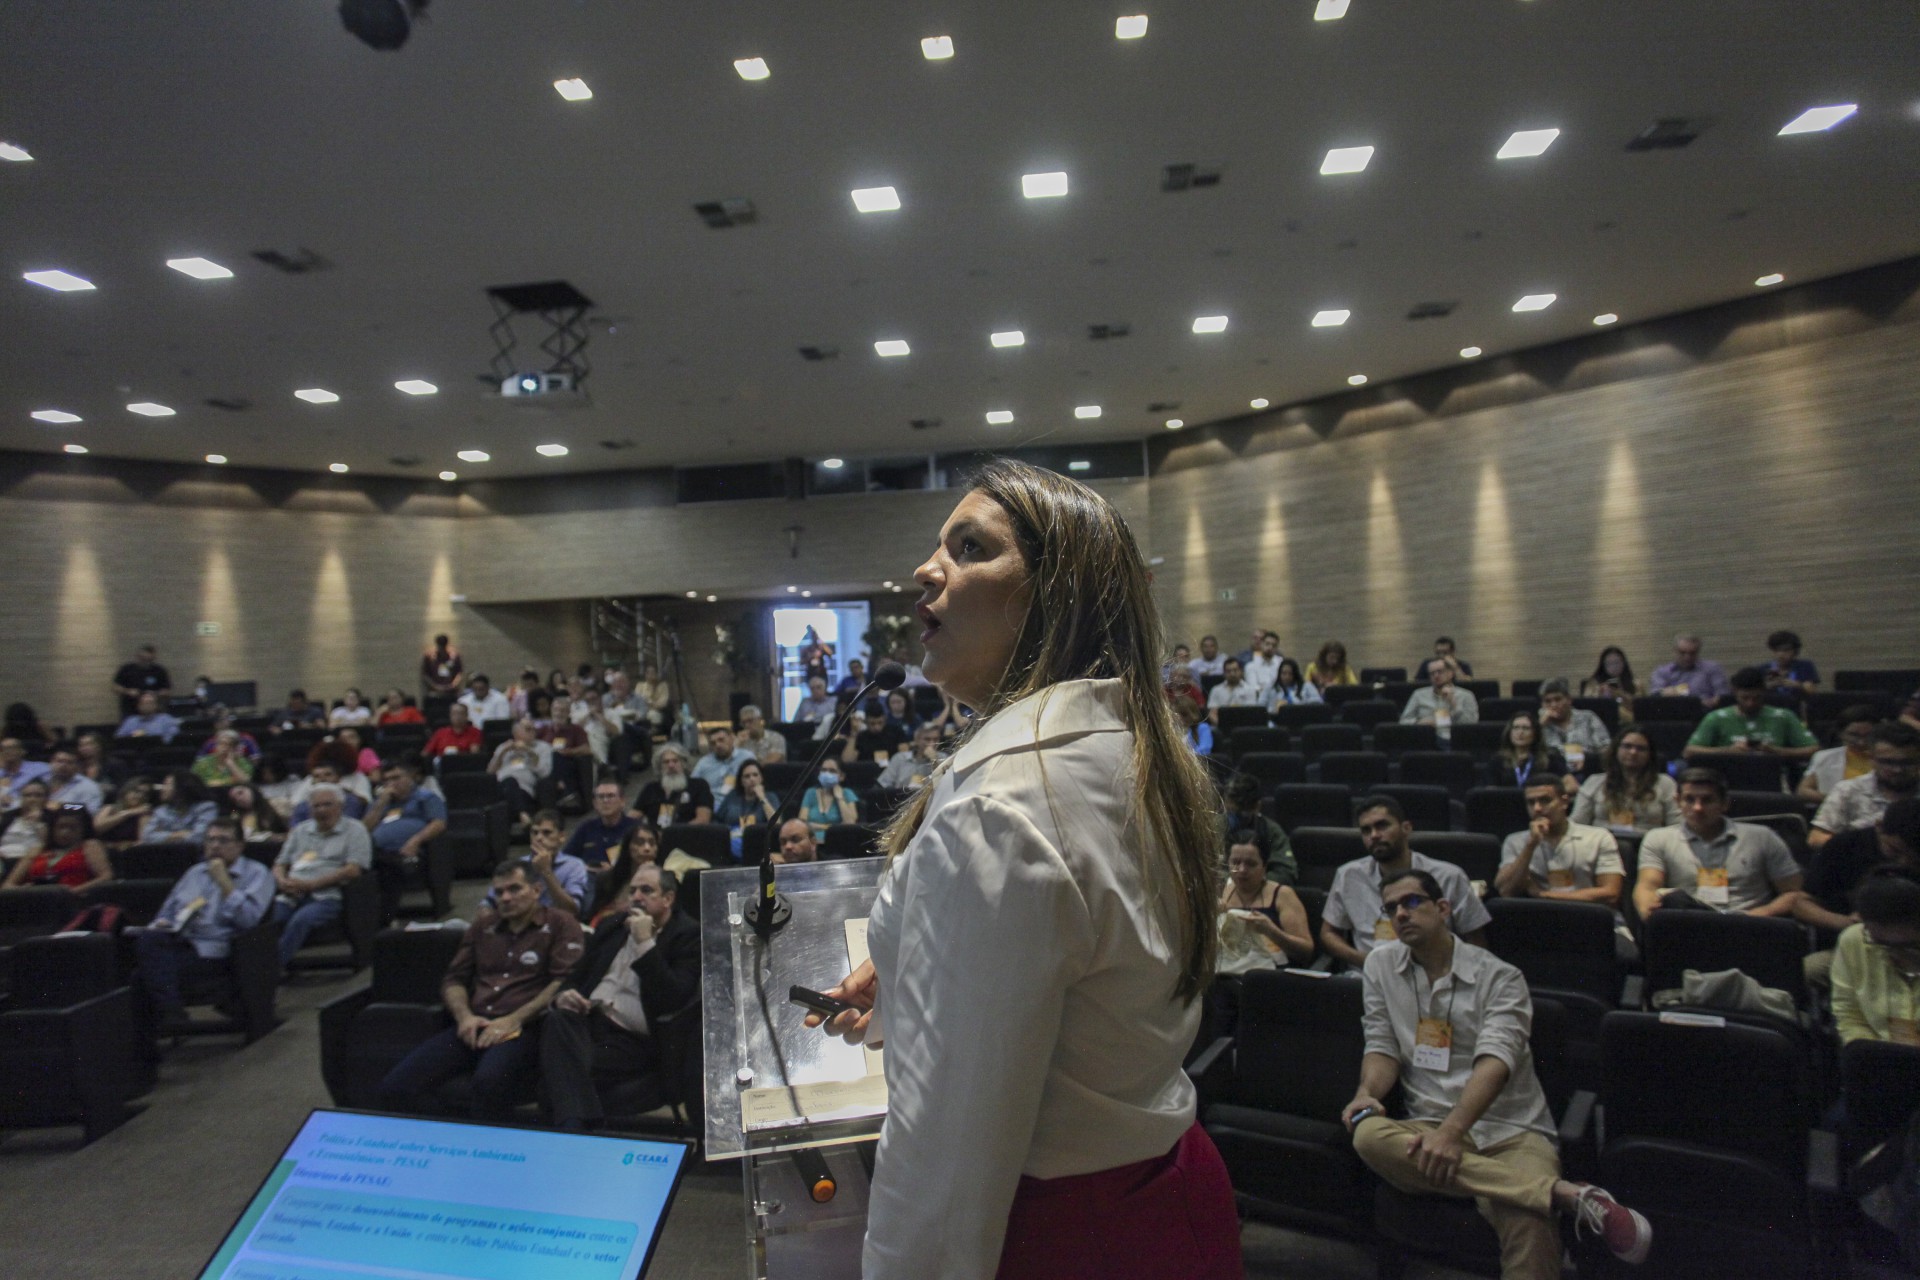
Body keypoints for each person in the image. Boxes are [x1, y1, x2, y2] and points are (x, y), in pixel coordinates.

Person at [804, 460, 1242, 1280]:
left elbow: (946, 1149)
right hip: (1165, 1198)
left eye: (970, 548)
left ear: (1055, 595)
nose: (926, 569)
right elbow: (1086, 971)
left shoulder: (999, 807)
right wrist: (911, 971)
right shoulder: (1125, 748)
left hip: (1057, 1236)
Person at [1344, 868, 1653, 1275]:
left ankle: (1541, 1198)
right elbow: (1382, 1044)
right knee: (1367, 1134)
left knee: (1529, 1219)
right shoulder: (1381, 966)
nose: (1400, 913)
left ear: (1442, 909)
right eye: (1391, 907)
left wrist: (1452, 1134)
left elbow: (1496, 1063)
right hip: (1427, 1122)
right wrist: (1367, 1092)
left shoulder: (1500, 976)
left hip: (1511, 1130)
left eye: (1411, 902)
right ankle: (1566, 1196)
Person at [378, 859, 583, 1120]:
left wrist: (512, 1020)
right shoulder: (482, 927)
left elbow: (562, 982)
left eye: (514, 889)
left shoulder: (560, 924)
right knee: (396, 1087)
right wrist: (464, 1018)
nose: (506, 898)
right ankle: (447, 1142)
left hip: (524, 1028)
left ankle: (481, 1150)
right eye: (499, 892)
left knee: (488, 1085)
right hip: (474, 1024)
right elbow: (454, 980)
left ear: (536, 890)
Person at [542, 863, 701, 1130]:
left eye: (647, 890)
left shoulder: (687, 935)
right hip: (588, 1021)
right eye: (633, 890)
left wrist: (644, 944)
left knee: (556, 1073)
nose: (637, 897)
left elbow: (674, 997)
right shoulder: (612, 925)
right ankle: (577, 1123)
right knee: (557, 1019)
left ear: (668, 899)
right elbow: (577, 974)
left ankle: (572, 1125)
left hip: (634, 1038)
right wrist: (563, 995)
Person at [1321, 795, 1491, 971]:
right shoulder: (1348, 875)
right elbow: (1328, 933)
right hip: (1369, 976)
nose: (1374, 835)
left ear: (1406, 828)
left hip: (1435, 974)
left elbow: (1476, 939)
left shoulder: (1449, 876)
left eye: (1382, 826)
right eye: (1366, 830)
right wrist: (1367, 962)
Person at [134, 817, 275, 1030]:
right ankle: (165, 1023)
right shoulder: (194, 873)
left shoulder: (257, 873)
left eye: (223, 840)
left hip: (221, 950)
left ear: (240, 846)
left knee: (142, 977)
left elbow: (249, 921)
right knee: (149, 942)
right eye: (210, 840)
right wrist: (163, 924)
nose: (215, 846)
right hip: (182, 942)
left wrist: (224, 882)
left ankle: (170, 1017)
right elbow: (166, 914)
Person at [1633, 768, 1802, 918]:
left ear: (1725, 803)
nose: (1698, 808)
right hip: (1689, 925)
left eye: (1707, 800)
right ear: (1678, 802)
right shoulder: (1658, 838)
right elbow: (1647, 887)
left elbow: (1793, 892)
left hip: (1749, 924)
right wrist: (1647, 909)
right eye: (1689, 800)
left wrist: (1758, 915)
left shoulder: (1762, 837)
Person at [1494, 776, 1633, 957]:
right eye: (1531, 803)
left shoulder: (1598, 837)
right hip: (1541, 922)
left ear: (1564, 802)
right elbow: (1505, 890)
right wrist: (1531, 845)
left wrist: (1545, 895)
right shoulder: (1516, 841)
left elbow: (1610, 894)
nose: (1537, 808)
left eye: (1545, 800)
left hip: (1592, 920)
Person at [1794, 799, 1920, 988]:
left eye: (1914, 857)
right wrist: (1847, 923)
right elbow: (1801, 904)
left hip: (1913, 946)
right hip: (1854, 946)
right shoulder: (1844, 846)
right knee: (1809, 969)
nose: (1903, 862)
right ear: (1879, 827)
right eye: (1895, 851)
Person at [1209, 833, 1315, 1037]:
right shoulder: (1223, 893)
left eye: (1250, 864)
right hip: (1227, 972)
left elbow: (1306, 950)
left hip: (1270, 978)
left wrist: (1271, 930)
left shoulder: (1282, 895)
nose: (1241, 870)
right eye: (1235, 863)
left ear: (1264, 867)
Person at [270, 783, 372, 969]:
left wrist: (312, 885)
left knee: (301, 920)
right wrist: (282, 881)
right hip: (291, 893)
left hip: (329, 895)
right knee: (268, 920)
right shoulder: (301, 830)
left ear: (340, 806)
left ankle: (270, 971)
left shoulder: (355, 830)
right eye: (316, 806)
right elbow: (279, 864)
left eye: (327, 805)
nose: (321, 810)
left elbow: (353, 870)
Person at [1830, 868, 1920, 1045]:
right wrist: (1873, 1056)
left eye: (1907, 946)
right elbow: (1849, 1015)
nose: (1894, 953)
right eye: (1881, 944)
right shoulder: (1854, 941)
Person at [363, 757, 449, 920]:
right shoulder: (380, 802)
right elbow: (364, 829)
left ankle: (385, 918)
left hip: (411, 851)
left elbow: (439, 823)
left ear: (410, 778)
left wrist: (415, 841)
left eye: (396, 778)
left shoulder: (426, 797)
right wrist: (381, 804)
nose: (391, 783)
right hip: (376, 852)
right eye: (387, 780)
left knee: (387, 869)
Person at [1811, 723, 1920, 849]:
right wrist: (1870, 845)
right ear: (1871, 759)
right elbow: (1816, 838)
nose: (1897, 770)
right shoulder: (1848, 790)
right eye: (1888, 762)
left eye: (1907, 763)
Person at [1682, 667, 1819, 762]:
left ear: (1764, 693)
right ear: (1735, 693)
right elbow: (1689, 752)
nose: (1750, 703)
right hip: (1727, 774)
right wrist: (1728, 751)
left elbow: (1814, 750)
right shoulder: (1716, 717)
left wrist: (1777, 751)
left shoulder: (1783, 716)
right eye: (1745, 698)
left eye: (1756, 698)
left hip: (1772, 772)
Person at [1570, 729, 1682, 834]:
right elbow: (1577, 824)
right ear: (1616, 750)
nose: (1633, 752)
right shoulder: (1594, 782)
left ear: (1650, 754)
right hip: (1602, 844)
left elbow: (1677, 826)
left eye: (1641, 748)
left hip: (1647, 845)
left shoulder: (1665, 784)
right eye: (1627, 746)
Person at [1217, 771, 1298, 886]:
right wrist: (1232, 882)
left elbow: (1285, 872)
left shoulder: (1270, 831)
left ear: (1257, 807)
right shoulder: (1213, 828)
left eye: (1240, 813)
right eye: (1230, 811)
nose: (1234, 817)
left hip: (1260, 894)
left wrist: (1253, 881)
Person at [3, 805, 112, 890]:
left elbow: (106, 876)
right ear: (53, 828)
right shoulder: (38, 850)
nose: (65, 832)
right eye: (61, 827)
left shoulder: (89, 845)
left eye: (72, 827)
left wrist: (73, 892)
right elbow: (8, 885)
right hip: (34, 901)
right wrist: (23, 891)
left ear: (83, 829)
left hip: (73, 901)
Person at [1797, 707, 1882, 806]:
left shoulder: (1888, 758)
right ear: (1841, 733)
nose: (1861, 742)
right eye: (1854, 735)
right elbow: (1803, 791)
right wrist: (1838, 801)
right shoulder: (1824, 757)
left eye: (1868, 735)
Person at [519, 811, 592, 914]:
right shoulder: (519, 865)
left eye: (547, 833)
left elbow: (571, 910)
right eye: (535, 833)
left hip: (558, 924)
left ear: (561, 836)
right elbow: (490, 903)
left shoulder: (574, 866)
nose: (539, 838)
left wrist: (546, 871)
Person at [1536, 678, 1611, 777]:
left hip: (1589, 771)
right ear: (1542, 705)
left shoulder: (1588, 717)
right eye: (1548, 701)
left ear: (1569, 700)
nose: (1553, 705)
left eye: (1558, 699)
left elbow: (1606, 748)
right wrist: (1540, 725)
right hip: (1554, 776)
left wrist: (1589, 760)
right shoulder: (1539, 725)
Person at [486, 720, 553, 828]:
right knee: (509, 781)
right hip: (502, 788)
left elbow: (545, 773)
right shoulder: (503, 747)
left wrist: (530, 752)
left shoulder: (543, 747)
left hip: (525, 790)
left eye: (533, 729)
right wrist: (503, 753)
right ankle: (523, 814)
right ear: (516, 733)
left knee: (510, 795)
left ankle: (521, 815)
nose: (533, 732)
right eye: (528, 729)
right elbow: (490, 772)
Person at [563, 781, 640, 871]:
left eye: (610, 796)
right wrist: (585, 868)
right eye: (601, 797)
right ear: (595, 803)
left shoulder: (636, 828)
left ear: (622, 801)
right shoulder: (586, 828)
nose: (605, 800)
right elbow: (566, 859)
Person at [592, 821, 661, 920]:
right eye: (639, 842)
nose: (647, 848)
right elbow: (594, 915)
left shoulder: (666, 880)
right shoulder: (607, 879)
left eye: (652, 843)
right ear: (628, 847)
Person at [633, 744, 714, 828]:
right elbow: (632, 817)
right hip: (655, 838)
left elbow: (703, 820)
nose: (671, 765)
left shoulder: (698, 785)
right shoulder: (650, 789)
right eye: (666, 762)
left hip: (689, 836)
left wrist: (672, 834)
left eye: (675, 761)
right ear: (660, 767)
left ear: (684, 764)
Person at [1485, 711, 1566, 790]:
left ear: (1535, 733)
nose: (1520, 732)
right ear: (1509, 732)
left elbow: (1571, 786)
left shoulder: (1551, 757)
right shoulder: (1498, 760)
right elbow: (1490, 790)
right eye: (1516, 728)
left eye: (1526, 728)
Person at [1399, 656, 1479, 737]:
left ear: (1450, 673)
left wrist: (1454, 705)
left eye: (1440, 672)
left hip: (1457, 740)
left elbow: (1471, 725)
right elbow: (1403, 721)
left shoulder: (1466, 695)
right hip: (1426, 739)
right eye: (1432, 673)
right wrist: (1418, 723)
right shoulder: (1418, 694)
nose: (1436, 676)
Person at [1649, 633, 1730, 708]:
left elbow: (1723, 695)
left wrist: (1715, 701)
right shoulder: (1662, 672)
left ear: (1698, 652)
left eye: (1692, 653)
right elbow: (1655, 695)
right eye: (1682, 653)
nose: (1687, 657)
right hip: (1673, 714)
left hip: (1704, 712)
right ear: (1674, 651)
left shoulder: (1712, 669)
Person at [716, 758, 779, 849]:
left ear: (761, 778)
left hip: (759, 842)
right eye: (747, 776)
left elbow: (777, 824)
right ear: (741, 781)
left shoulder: (770, 797)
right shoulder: (732, 796)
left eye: (755, 775)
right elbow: (717, 819)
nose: (752, 779)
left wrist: (762, 797)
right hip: (732, 841)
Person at [146, 770, 218, 842]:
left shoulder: (206, 808)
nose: (162, 789)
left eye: (167, 784)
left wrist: (163, 836)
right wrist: (179, 835)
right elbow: (147, 837)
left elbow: (200, 837)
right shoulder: (161, 811)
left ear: (181, 787)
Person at [289, 762, 368, 824]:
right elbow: (295, 832)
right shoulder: (302, 805)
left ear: (338, 778)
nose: (322, 779)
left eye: (328, 774)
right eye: (317, 776)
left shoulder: (350, 801)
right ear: (312, 782)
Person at [691, 725, 755, 800]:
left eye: (721, 740)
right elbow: (692, 785)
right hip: (711, 804)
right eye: (713, 743)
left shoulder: (746, 757)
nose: (717, 745)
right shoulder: (704, 762)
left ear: (731, 739)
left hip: (739, 800)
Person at [111, 644, 172, 717]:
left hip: (152, 709)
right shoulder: (127, 669)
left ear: (153, 658)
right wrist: (127, 691)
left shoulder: (159, 671)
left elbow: (166, 690)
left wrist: (154, 694)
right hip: (130, 708)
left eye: (149, 660)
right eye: (143, 659)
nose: (145, 662)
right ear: (138, 657)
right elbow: (115, 687)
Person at [878, 722, 944, 790]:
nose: (932, 744)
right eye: (927, 739)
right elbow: (884, 784)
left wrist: (935, 761)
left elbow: (945, 786)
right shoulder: (899, 758)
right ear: (916, 740)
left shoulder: (944, 759)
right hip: (900, 797)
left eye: (936, 739)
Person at [41, 742, 103, 814]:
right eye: (59, 761)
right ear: (51, 762)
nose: (63, 765)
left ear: (77, 766)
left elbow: (89, 811)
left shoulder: (89, 787)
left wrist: (63, 806)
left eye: (69, 762)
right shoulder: (42, 780)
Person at [0, 779, 50, 867]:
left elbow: (48, 845)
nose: (32, 799)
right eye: (28, 795)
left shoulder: (52, 817)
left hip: (29, 861)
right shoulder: (9, 815)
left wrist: (38, 823)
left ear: (46, 799)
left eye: (38, 796)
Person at [799, 765, 859, 836]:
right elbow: (802, 824)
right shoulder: (810, 792)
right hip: (812, 839)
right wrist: (828, 827)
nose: (827, 774)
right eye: (823, 770)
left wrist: (839, 798)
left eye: (832, 771)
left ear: (842, 776)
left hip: (837, 839)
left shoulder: (847, 793)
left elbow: (850, 824)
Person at [1761, 629, 1820, 701]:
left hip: (1798, 706)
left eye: (1786, 650)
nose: (1781, 654)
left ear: (1795, 652)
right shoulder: (1763, 669)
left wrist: (1797, 685)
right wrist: (1768, 686)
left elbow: (1812, 691)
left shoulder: (1805, 666)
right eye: (1777, 650)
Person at [95, 777, 155, 845]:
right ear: (127, 791)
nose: (140, 796)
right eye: (137, 791)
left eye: (145, 794)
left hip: (127, 852)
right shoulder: (110, 808)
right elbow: (97, 827)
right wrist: (128, 813)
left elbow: (142, 842)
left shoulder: (144, 815)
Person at [0, 737, 51, 810]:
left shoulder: (41, 768)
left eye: (12, 748)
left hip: (33, 810)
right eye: (3, 749)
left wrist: (15, 802)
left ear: (22, 751)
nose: (7, 751)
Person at [116, 691, 181, 743]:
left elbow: (173, 736)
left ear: (156, 705)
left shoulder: (166, 719)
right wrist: (131, 737)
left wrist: (149, 736)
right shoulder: (131, 721)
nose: (147, 706)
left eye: (150, 703)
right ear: (138, 706)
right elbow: (118, 738)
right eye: (143, 703)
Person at [421, 633, 465, 697]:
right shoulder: (429, 656)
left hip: (452, 691)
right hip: (434, 691)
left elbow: (459, 672)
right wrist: (435, 686)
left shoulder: (454, 656)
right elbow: (425, 674)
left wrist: (453, 684)